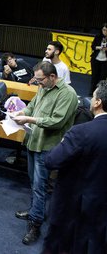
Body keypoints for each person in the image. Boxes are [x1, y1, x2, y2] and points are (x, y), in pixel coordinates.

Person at [11, 61, 78, 245]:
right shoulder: (43, 87)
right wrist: (19, 114)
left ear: (52, 77)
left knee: (40, 187)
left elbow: (55, 121)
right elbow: (32, 106)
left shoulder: (68, 95)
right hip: (34, 141)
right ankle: (35, 211)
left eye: (40, 81)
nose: (38, 84)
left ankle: (36, 224)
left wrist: (29, 118)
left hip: (48, 146)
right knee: (33, 182)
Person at [42, 80, 107, 254]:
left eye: (93, 96)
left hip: (72, 210)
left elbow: (52, 161)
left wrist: (63, 143)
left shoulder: (80, 132)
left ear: (98, 102)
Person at [89, 23, 107, 95]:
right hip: (96, 59)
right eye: (104, 30)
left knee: (102, 78)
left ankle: (100, 93)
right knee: (94, 76)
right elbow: (93, 46)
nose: (105, 32)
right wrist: (99, 47)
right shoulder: (98, 36)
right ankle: (91, 92)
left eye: (106, 30)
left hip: (105, 61)